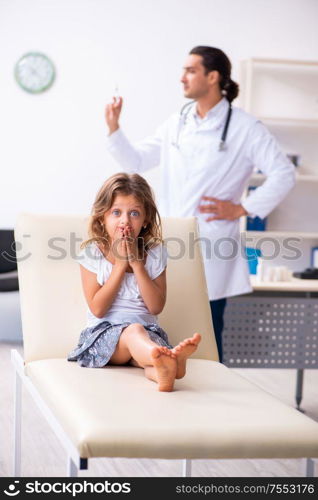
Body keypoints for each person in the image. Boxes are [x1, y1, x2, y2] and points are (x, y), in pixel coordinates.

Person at [104, 46, 295, 362]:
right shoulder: (176, 123)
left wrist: (243, 208)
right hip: (168, 241)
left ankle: (211, 401)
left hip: (212, 244)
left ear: (213, 76)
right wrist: (114, 128)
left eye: (190, 70)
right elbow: (134, 160)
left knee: (206, 333)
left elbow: (283, 174)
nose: (182, 78)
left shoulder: (246, 128)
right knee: (164, 324)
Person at [68, 172, 201, 392]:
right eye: (116, 212)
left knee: (149, 360)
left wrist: (138, 265)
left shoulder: (155, 253)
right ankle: (172, 362)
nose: (125, 221)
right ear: (102, 216)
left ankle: (165, 373)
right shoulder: (92, 254)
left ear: (146, 219)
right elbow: (98, 308)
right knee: (134, 331)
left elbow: (156, 306)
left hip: (148, 334)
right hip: (103, 337)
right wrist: (120, 265)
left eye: (134, 213)